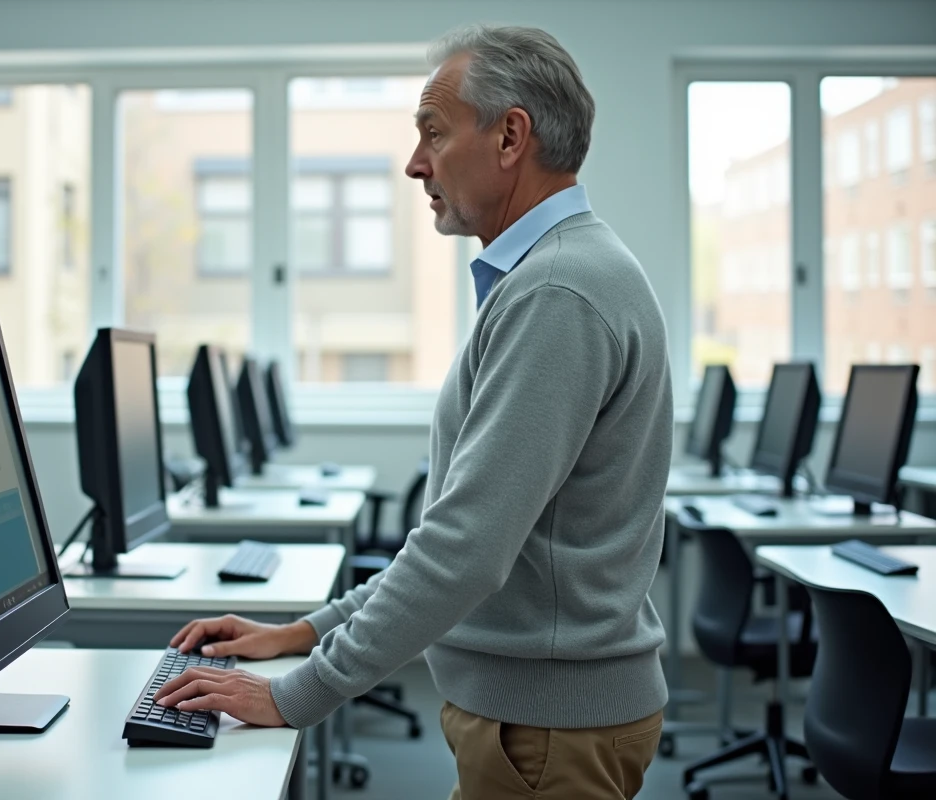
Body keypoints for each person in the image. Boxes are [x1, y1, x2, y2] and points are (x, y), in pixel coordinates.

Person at [155, 24, 672, 800]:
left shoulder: (557, 293)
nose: (414, 163)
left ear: (510, 136)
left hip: (546, 733)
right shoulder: (554, 276)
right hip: (538, 722)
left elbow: (464, 551)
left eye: (433, 131)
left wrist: (294, 693)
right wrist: (304, 633)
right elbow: (465, 537)